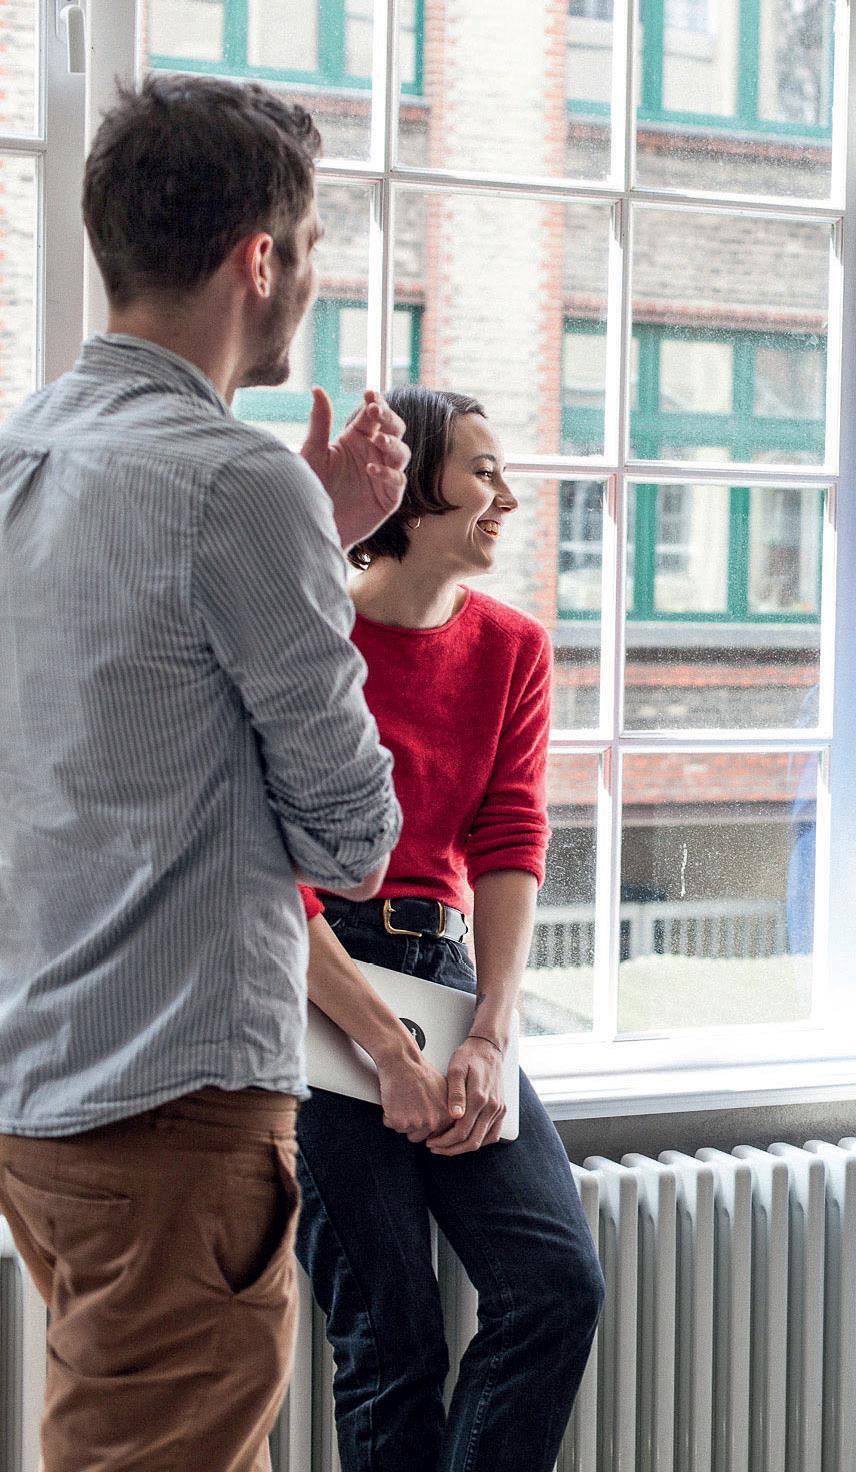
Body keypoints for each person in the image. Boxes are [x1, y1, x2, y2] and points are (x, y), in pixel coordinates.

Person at [0, 74, 408, 1471]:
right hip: (174, 1118)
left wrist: (315, 545)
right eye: (309, 244)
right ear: (259, 259)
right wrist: (309, 545)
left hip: (35, 1097)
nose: (311, 277)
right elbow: (353, 838)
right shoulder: (236, 486)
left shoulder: (18, 454)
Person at [294, 386, 604, 1471]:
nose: (506, 497)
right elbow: (268, 877)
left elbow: (512, 836)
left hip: (449, 970)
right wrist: (385, 1046)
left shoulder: (512, 647)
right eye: (481, 472)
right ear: (412, 486)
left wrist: (489, 1034)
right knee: (390, 1339)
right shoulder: (309, 637)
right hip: (316, 982)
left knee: (555, 1286)